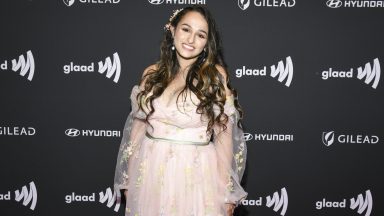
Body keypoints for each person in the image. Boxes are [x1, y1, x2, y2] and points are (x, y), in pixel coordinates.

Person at [114, 5, 247, 216]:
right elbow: (137, 132)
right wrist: (129, 182)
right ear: (173, 30)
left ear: (206, 44)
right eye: (186, 29)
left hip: (197, 176)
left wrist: (226, 192)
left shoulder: (215, 77)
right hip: (150, 173)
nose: (191, 39)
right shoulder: (151, 74)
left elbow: (224, 137)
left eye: (200, 35)